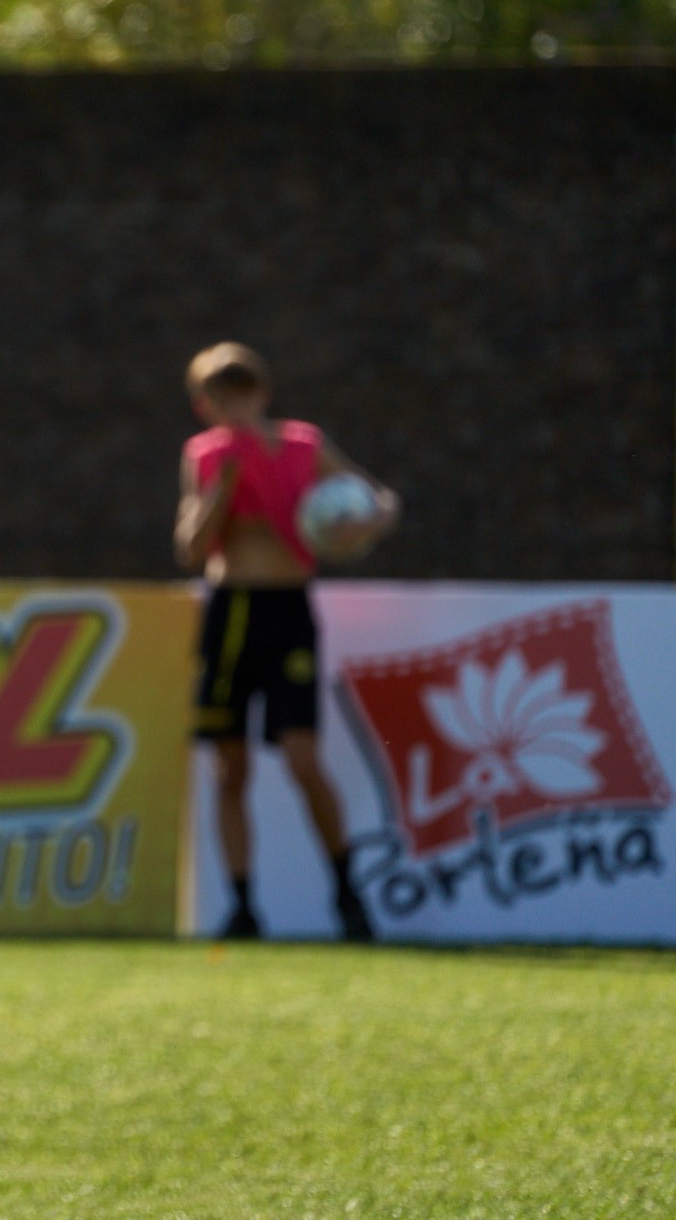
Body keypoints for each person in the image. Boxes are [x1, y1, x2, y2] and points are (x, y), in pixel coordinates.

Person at [174, 341, 399, 942]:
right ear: (205, 406)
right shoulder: (207, 455)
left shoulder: (304, 445)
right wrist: (223, 488)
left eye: (243, 395)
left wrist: (364, 523)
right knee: (230, 764)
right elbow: (192, 550)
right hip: (232, 609)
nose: (236, 409)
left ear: (262, 395)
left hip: (288, 610)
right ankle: (243, 907)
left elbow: (378, 500)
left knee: (303, 757)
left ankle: (348, 895)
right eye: (222, 400)